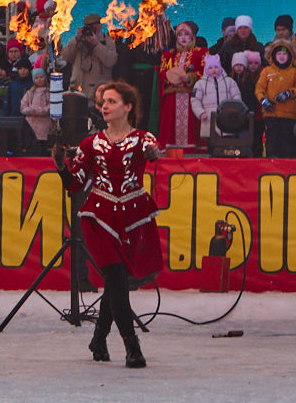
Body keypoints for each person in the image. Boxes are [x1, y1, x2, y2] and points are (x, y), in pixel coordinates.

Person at [55, 82, 161, 368]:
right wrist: (62, 168)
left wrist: (152, 153)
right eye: (103, 101)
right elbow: (76, 185)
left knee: (117, 282)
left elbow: (152, 149)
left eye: (112, 101)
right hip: (99, 217)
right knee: (115, 278)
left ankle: (99, 338)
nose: (104, 106)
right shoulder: (91, 144)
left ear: (128, 107)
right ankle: (132, 346)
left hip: (132, 218)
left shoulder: (142, 138)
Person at [157, 21, 206, 150]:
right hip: (173, 97)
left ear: (192, 36)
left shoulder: (201, 53)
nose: (183, 38)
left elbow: (205, 72)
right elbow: (162, 73)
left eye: (186, 34)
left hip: (192, 96)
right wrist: (171, 77)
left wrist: (190, 77)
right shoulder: (168, 55)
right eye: (180, 35)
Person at [255, 41, 296, 157]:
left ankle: (286, 164)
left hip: (288, 115)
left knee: (287, 143)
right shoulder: (267, 71)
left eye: (284, 54)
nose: (282, 57)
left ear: (290, 56)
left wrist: (289, 93)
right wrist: (264, 100)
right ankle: (271, 163)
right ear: (273, 56)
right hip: (271, 113)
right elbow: (259, 88)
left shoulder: (294, 72)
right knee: (271, 141)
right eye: (279, 54)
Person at [60, 14, 118, 101]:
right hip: (77, 90)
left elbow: (110, 61)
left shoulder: (107, 42)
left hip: (97, 93)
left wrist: (96, 44)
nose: (91, 30)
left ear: (100, 25)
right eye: (88, 27)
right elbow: (65, 57)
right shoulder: (79, 41)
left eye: (94, 27)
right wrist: (76, 39)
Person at [190, 55, 241, 140]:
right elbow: (195, 100)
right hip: (208, 120)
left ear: (220, 68)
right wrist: (201, 113)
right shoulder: (200, 84)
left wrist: (233, 111)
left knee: (228, 143)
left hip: (227, 119)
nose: (213, 70)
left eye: (216, 67)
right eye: (210, 68)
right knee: (211, 144)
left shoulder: (230, 82)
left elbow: (237, 97)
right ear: (206, 70)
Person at [20, 67, 52, 153]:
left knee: (42, 148)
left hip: (44, 125)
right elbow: (23, 107)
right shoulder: (29, 93)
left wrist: (39, 111)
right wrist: (31, 110)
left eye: (41, 77)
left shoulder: (49, 93)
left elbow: (51, 107)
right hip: (31, 125)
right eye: (37, 78)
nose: (39, 79)